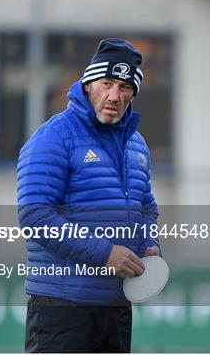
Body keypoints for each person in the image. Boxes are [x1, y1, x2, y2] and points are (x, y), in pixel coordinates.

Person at [17, 38, 160, 352]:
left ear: (133, 93)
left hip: (115, 306)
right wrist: (106, 254)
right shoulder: (53, 136)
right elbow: (35, 217)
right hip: (62, 307)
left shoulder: (137, 144)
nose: (114, 95)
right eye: (106, 83)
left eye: (124, 87)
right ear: (87, 84)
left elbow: (146, 206)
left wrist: (149, 244)